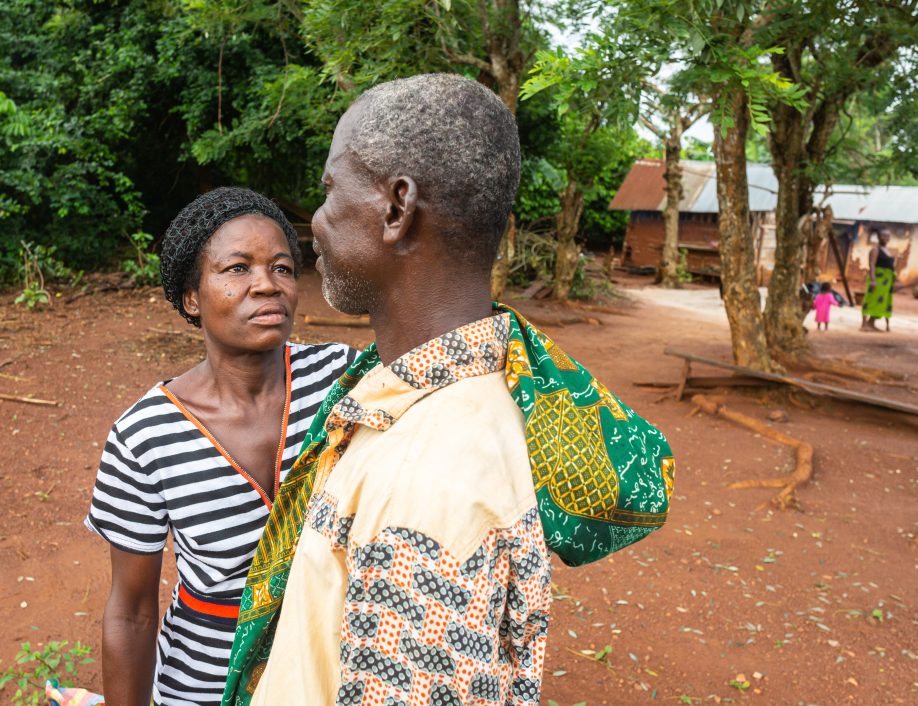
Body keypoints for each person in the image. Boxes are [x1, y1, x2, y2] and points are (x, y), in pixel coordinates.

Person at [223, 74, 674, 706]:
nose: (316, 222)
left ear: (396, 208)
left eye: (329, 191)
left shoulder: (430, 482)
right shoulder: (440, 395)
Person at [84, 187, 356, 706]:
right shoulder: (145, 436)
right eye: (237, 268)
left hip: (334, 669)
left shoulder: (338, 380)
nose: (266, 285)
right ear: (191, 297)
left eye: (281, 268)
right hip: (206, 684)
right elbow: (131, 612)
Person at [861, 228, 896, 332]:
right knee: (871, 299)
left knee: (881, 302)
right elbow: (871, 264)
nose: (886, 238)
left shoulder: (887, 250)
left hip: (886, 282)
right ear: (879, 237)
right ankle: (864, 324)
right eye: (884, 236)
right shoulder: (875, 250)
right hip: (878, 279)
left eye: (888, 236)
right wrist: (873, 279)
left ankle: (871, 323)